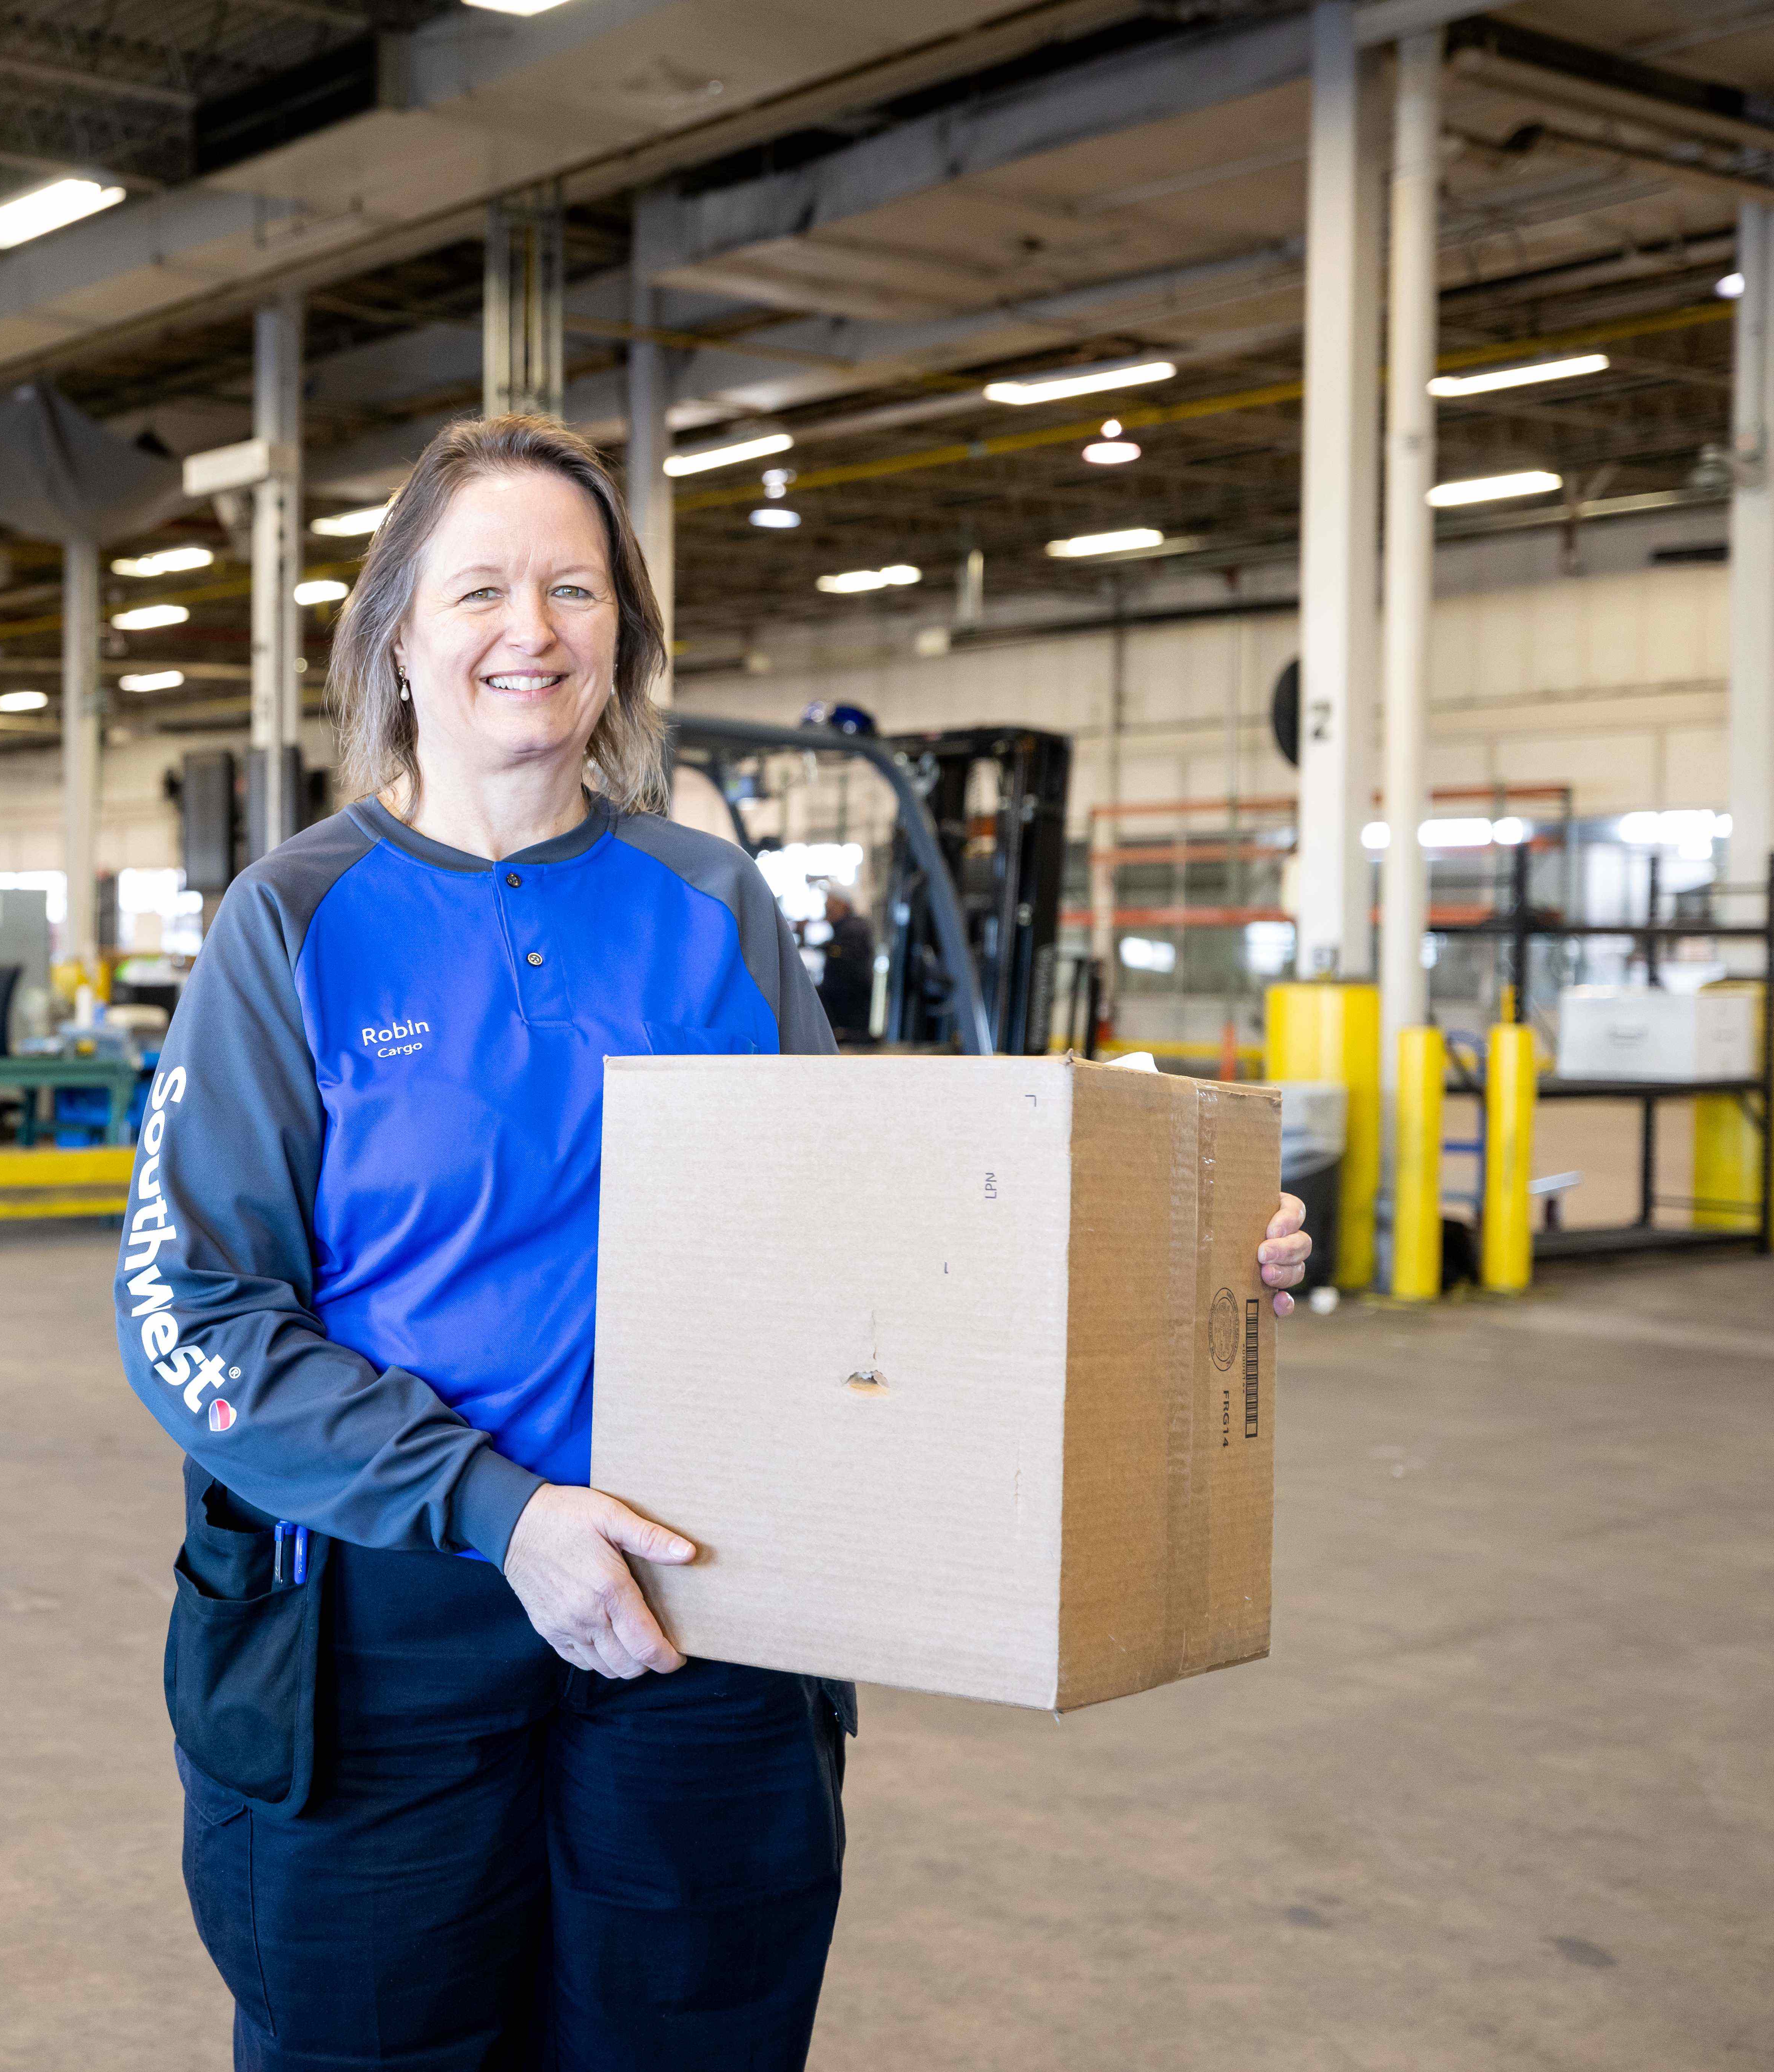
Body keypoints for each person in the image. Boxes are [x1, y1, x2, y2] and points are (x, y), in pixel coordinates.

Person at [111, 413, 1314, 2071]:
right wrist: (499, 1508)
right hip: (384, 1628)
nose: (529, 629)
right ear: (398, 636)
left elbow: (857, 1246)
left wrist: (1183, 1267)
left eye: (573, 590)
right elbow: (193, 1310)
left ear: (622, 637)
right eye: (478, 591)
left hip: (708, 1609)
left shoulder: (711, 905)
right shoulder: (295, 922)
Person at [812, 888, 875, 1039]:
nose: (827, 908)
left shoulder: (854, 928)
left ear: (843, 905)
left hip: (850, 1006)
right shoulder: (843, 928)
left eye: (831, 904)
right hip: (843, 1003)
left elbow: (843, 954)